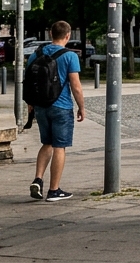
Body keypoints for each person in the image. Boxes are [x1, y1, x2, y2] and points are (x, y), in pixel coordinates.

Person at [26, 21, 84, 202]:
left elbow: (28, 82)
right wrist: (81, 107)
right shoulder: (70, 56)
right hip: (62, 106)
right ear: (68, 35)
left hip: (41, 107)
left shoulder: (35, 54)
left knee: (47, 143)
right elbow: (76, 85)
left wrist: (30, 104)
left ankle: (38, 179)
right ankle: (54, 190)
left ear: (51, 33)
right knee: (60, 146)